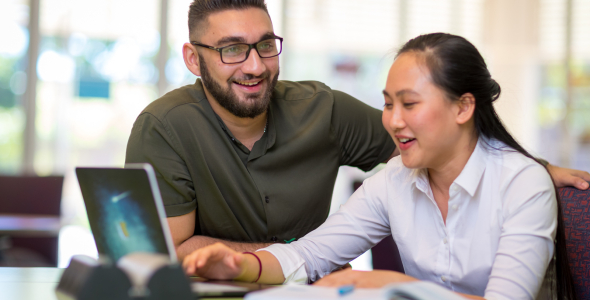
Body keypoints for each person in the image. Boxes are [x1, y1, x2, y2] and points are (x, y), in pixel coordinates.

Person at [126, 0, 590, 261]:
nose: (254, 66)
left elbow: (436, 139)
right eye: (232, 50)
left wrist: (532, 169)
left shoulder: (322, 109)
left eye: (265, 45)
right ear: (193, 58)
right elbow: (169, 250)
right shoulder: (163, 127)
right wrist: (303, 256)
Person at [181, 33, 578, 300]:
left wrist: (393, 286)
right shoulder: (394, 182)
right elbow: (308, 256)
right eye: (388, 104)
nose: (393, 121)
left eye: (409, 104)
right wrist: (239, 266)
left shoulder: (523, 184)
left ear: (464, 106)